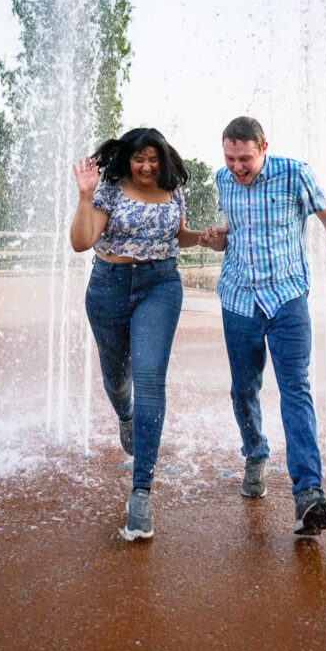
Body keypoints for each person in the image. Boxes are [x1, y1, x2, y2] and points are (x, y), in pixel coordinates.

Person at [201, 116, 326, 537]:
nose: (237, 167)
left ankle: (309, 494)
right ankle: (256, 454)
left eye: (245, 158)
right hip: (239, 299)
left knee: (295, 387)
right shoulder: (223, 179)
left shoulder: (295, 173)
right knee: (244, 388)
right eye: (230, 157)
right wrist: (217, 238)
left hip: (287, 298)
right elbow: (234, 233)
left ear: (264, 148)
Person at [70, 127, 203, 541]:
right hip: (108, 285)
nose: (147, 166)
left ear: (163, 159)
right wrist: (84, 195)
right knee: (115, 379)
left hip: (160, 285)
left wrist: (206, 239)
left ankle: (141, 492)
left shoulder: (174, 188)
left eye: (153, 159)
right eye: (139, 159)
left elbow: (179, 234)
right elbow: (81, 242)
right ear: (128, 158)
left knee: (149, 380)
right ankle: (125, 417)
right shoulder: (109, 188)